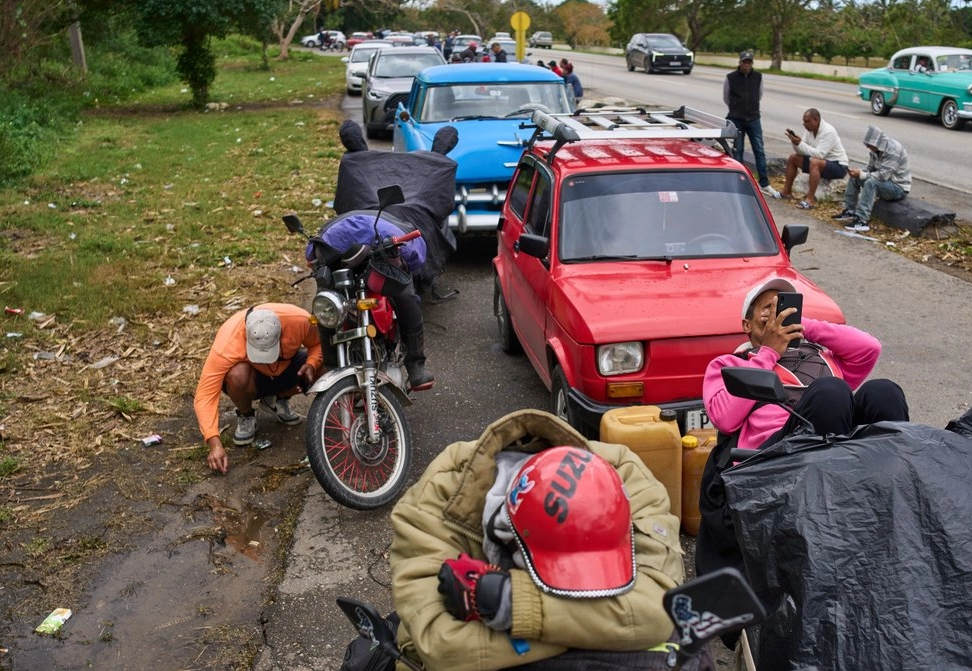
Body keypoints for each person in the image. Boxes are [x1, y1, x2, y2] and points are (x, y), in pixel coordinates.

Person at [389, 409, 691, 671]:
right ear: (508, 537)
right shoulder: (430, 507)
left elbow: (659, 613)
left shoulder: (626, 476)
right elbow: (445, 650)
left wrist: (511, 604)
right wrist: (604, 632)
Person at [703, 277, 909, 451]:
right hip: (776, 453)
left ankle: (898, 477)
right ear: (747, 324)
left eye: (781, 307)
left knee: (883, 391)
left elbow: (869, 347)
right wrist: (769, 352)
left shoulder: (819, 355)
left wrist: (803, 325)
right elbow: (724, 420)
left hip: (842, 442)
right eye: (768, 308)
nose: (776, 315)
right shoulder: (731, 362)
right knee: (830, 391)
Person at [194, 303, 324, 474]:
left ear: (281, 334)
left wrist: (312, 364)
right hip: (252, 378)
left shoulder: (300, 320)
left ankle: (277, 399)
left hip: (287, 367)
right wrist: (214, 443)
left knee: (327, 367)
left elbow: (319, 344)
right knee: (237, 375)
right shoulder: (228, 342)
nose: (266, 359)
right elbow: (204, 396)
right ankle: (246, 415)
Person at [832, 125, 911, 233]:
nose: (868, 147)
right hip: (885, 182)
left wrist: (862, 175)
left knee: (871, 183)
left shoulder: (893, 149)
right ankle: (849, 210)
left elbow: (883, 176)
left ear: (877, 143)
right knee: (855, 178)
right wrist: (858, 173)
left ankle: (862, 220)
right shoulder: (875, 150)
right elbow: (871, 169)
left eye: (869, 144)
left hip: (898, 187)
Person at [724, 51, 781, 200]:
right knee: (738, 150)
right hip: (737, 118)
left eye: (749, 62)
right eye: (744, 62)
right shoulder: (731, 78)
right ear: (740, 62)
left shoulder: (758, 77)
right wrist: (736, 108)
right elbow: (726, 97)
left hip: (754, 117)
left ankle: (764, 182)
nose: (746, 65)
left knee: (759, 150)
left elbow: (759, 94)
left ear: (752, 64)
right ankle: (738, 179)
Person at [779, 108, 849, 209]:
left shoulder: (828, 131)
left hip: (838, 166)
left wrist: (800, 144)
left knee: (815, 162)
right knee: (793, 158)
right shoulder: (809, 130)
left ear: (816, 120)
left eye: (806, 121)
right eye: (803, 121)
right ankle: (786, 192)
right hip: (821, 162)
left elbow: (820, 154)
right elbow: (802, 151)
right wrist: (795, 143)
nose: (804, 124)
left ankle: (810, 200)